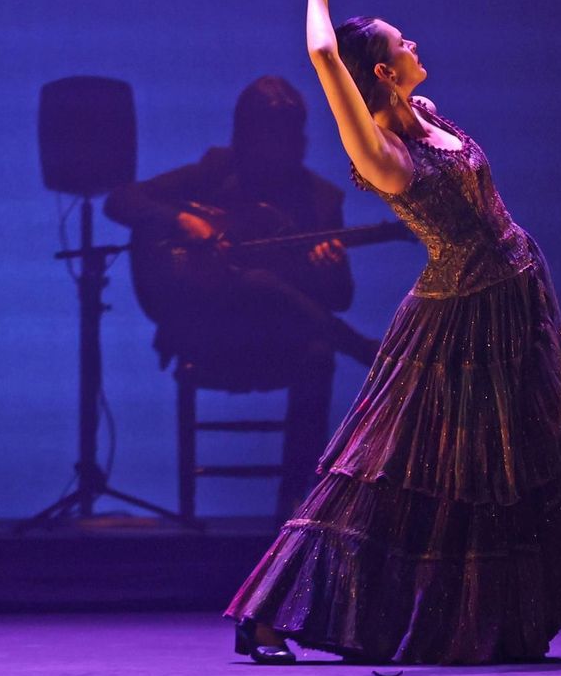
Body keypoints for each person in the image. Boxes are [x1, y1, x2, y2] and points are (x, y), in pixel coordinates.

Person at [224, 0, 561, 665]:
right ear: (380, 72)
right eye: (402, 44)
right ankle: (268, 613)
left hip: (516, 302)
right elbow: (322, 54)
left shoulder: (426, 114)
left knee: (500, 465)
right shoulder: (380, 151)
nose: (414, 46)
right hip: (458, 318)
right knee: (396, 468)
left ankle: (495, 620)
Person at [104, 76, 379, 520]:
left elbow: (340, 296)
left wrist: (325, 267)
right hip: (210, 333)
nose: (283, 145)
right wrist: (179, 219)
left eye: (291, 134)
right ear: (246, 136)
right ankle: (366, 350)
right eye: (270, 134)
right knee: (252, 280)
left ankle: (294, 503)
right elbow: (121, 200)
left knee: (315, 348)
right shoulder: (213, 173)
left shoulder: (320, 201)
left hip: (277, 341)